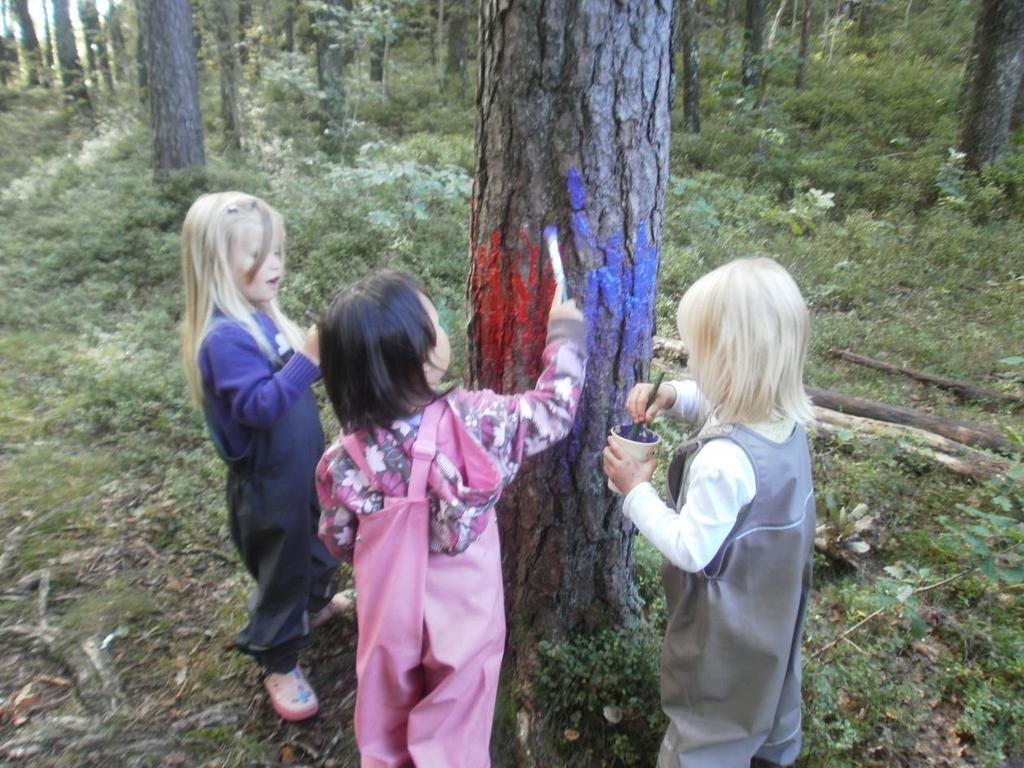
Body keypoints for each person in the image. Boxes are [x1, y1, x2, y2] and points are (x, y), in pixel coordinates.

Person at [316, 269, 587, 766]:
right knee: (457, 720)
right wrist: (566, 337)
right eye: (436, 325)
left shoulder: (345, 456)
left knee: (385, 714)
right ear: (420, 356)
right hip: (465, 613)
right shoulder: (476, 421)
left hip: (385, 609)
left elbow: (336, 536)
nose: (444, 333)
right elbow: (552, 413)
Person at [603, 257, 816, 768]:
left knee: (708, 727)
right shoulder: (782, 420)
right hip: (775, 611)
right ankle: (773, 751)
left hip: (726, 630)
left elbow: (691, 548)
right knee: (772, 692)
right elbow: (717, 405)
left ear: (729, 361)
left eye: (696, 355)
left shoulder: (724, 461)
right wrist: (676, 396)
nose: (691, 363)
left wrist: (635, 491)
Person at [179, 192, 349, 722]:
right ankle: (277, 660)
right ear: (217, 265)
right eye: (257, 254)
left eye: (276, 252)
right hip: (269, 488)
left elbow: (292, 383)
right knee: (284, 569)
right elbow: (258, 406)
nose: (273, 265)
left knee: (322, 542)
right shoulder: (223, 339)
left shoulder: (260, 316)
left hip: (302, 472)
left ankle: (317, 604)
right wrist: (308, 359)